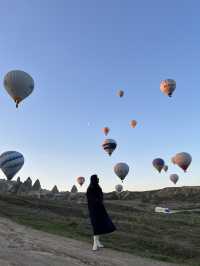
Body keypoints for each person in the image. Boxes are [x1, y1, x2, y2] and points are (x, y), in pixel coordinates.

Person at [86, 174, 116, 251]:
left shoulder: (98, 187)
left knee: (99, 224)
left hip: (100, 209)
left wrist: (99, 200)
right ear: (94, 179)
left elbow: (101, 197)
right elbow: (91, 199)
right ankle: (95, 244)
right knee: (95, 225)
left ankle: (98, 242)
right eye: (97, 178)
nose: (98, 179)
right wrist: (97, 200)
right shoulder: (90, 188)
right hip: (93, 210)